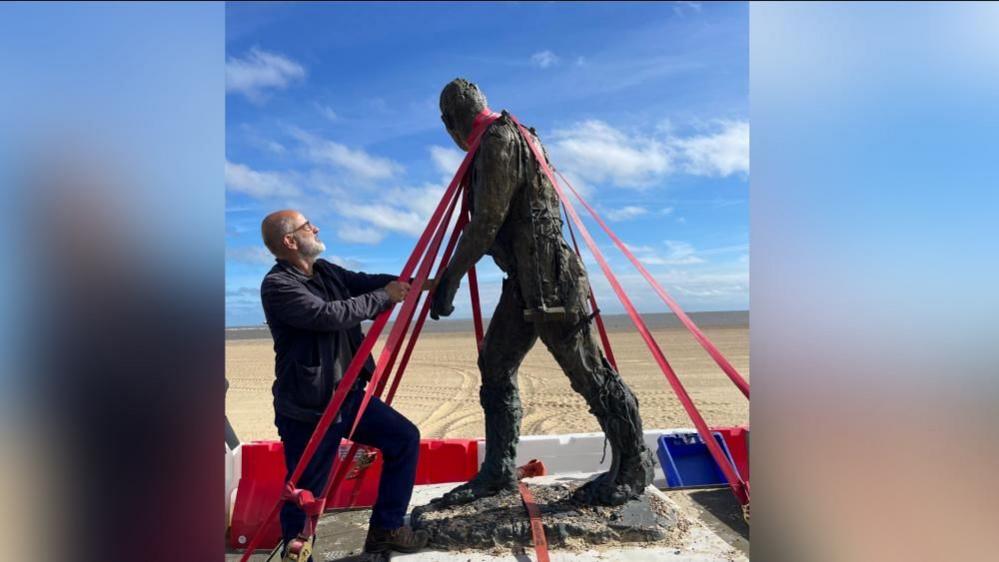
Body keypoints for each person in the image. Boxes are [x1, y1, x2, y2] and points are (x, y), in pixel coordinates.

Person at [430, 79, 655, 507]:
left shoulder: (500, 138)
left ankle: (632, 466)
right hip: (524, 282)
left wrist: (450, 278)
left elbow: (486, 223)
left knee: (590, 374)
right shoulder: (504, 136)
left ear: (449, 123)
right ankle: (498, 471)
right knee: (494, 365)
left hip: (551, 282)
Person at [259, 210, 429, 560]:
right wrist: (386, 296)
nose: (316, 227)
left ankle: (386, 528)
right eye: (308, 226)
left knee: (404, 438)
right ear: (290, 241)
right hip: (310, 408)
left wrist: (420, 282)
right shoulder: (278, 285)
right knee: (305, 490)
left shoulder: (327, 271)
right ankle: (298, 552)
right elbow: (327, 315)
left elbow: (367, 281)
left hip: (347, 395)